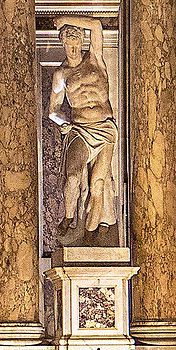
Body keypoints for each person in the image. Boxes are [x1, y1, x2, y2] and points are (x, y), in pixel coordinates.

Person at [48, 16, 121, 240]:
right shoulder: (61, 75)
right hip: (80, 129)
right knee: (72, 176)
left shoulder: (95, 59)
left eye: (76, 44)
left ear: (82, 43)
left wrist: (64, 20)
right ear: (62, 44)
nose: (72, 49)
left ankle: (90, 231)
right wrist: (63, 122)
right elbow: (53, 110)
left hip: (105, 129)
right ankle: (69, 216)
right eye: (68, 45)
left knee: (98, 183)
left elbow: (96, 25)